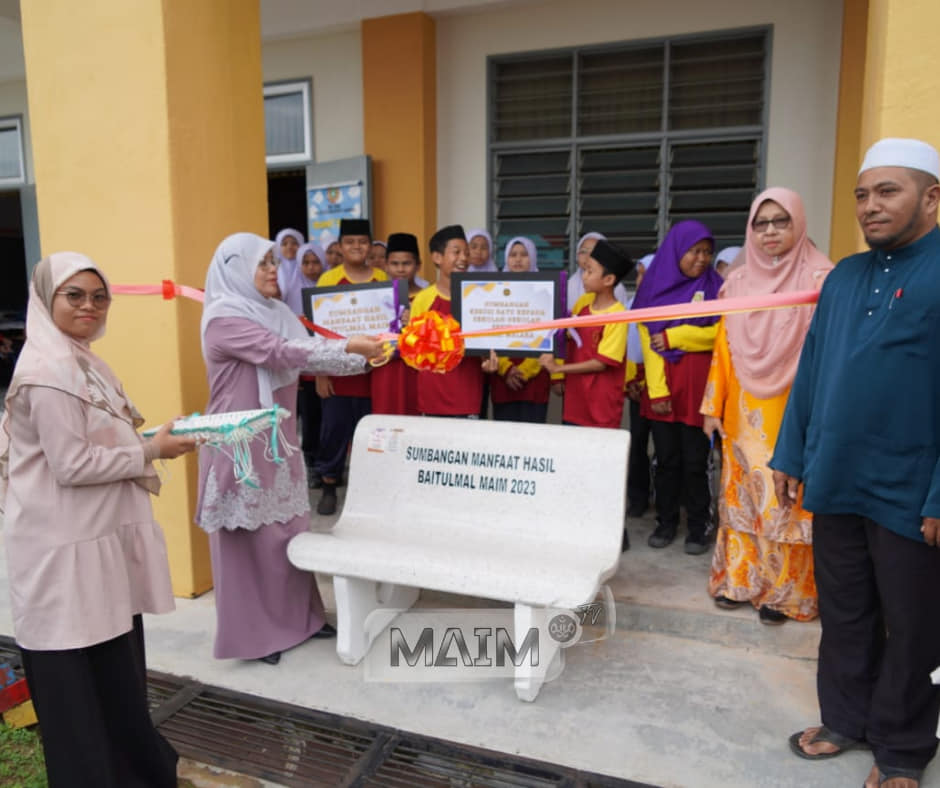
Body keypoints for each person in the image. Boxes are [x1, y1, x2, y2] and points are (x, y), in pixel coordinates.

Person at [772, 138, 940, 788]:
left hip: (911, 489)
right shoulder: (843, 276)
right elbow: (812, 369)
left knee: (915, 625)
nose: (870, 205)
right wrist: (792, 453)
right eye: (862, 195)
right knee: (844, 611)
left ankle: (902, 749)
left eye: (887, 191)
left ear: (932, 197)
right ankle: (845, 718)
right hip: (837, 475)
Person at [0, 252, 197, 786]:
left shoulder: (78, 359)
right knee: (75, 685)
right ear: (46, 299)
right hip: (61, 548)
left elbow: (95, 439)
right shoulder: (48, 372)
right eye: (75, 295)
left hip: (92, 538)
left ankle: (131, 772)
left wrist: (155, 438)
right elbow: (71, 465)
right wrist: (152, 450)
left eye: (99, 296)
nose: (89, 306)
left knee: (113, 673)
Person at [197, 232, 382, 666]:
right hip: (240, 445)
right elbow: (281, 353)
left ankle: (303, 620)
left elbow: (310, 356)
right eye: (261, 263)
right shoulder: (224, 319)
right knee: (247, 541)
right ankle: (255, 636)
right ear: (236, 271)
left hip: (277, 439)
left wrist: (372, 353)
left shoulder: (277, 312)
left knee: (288, 532)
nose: (272, 271)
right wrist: (351, 345)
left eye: (273, 262)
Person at [700, 188, 832, 625]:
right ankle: (739, 580)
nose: (770, 231)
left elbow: (828, 352)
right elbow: (723, 347)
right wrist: (712, 404)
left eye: (781, 221)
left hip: (794, 408)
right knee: (741, 496)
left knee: (785, 498)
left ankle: (786, 593)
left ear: (799, 222)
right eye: (761, 223)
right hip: (743, 409)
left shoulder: (822, 279)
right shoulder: (737, 283)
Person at [634, 220, 722, 555]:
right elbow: (648, 340)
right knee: (666, 460)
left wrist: (677, 335)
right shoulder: (653, 287)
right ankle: (666, 522)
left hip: (700, 392)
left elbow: (723, 333)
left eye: (707, 252)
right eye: (694, 251)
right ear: (675, 251)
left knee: (697, 462)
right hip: (664, 392)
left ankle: (699, 527)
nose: (701, 259)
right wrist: (658, 391)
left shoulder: (716, 286)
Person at [313, 219, 388, 515]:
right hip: (339, 373)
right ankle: (329, 486)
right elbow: (318, 333)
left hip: (375, 373)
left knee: (372, 434)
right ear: (340, 246)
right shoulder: (328, 280)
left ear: (370, 245)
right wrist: (321, 372)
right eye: (350, 242)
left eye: (362, 241)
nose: (357, 247)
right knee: (334, 431)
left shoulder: (382, 277)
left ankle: (368, 490)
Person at [411, 224, 498, 416]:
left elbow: (487, 343)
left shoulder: (480, 297)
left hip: (467, 397)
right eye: (456, 252)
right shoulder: (423, 299)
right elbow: (414, 352)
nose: (464, 258)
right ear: (437, 257)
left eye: (466, 253)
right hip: (431, 397)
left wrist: (488, 360)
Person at [489, 237, 551, 423]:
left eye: (524, 254)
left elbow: (548, 336)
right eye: (513, 255)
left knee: (533, 434)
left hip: (535, 378)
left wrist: (524, 371)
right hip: (502, 378)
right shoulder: (494, 292)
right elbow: (488, 335)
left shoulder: (545, 292)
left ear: (533, 257)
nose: (518, 259)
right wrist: (506, 368)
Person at [370, 232, 421, 415]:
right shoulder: (375, 298)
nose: (400, 269)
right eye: (394, 263)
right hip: (384, 372)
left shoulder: (426, 297)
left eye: (406, 263)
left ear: (418, 265)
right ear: (385, 265)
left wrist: (416, 322)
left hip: (416, 374)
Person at [294, 241, 327, 487]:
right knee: (310, 418)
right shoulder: (289, 292)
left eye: (316, 262)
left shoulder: (329, 289)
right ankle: (312, 464)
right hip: (303, 368)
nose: (311, 267)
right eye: (305, 262)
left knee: (328, 420)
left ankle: (327, 465)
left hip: (327, 366)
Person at [625, 253, 654, 518]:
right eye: (639, 274)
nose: (641, 279)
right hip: (635, 388)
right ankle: (638, 497)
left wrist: (647, 381)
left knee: (667, 449)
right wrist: (631, 381)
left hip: (660, 387)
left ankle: (667, 501)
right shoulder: (630, 305)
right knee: (637, 445)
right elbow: (625, 347)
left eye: (647, 273)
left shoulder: (668, 303)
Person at [567, 231, 629, 312]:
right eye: (583, 251)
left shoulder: (619, 311)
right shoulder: (582, 300)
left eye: (590, 272)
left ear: (608, 279)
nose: (584, 276)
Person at [274, 227, 304, 305]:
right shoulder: (273, 270)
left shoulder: (309, 268)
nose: (289, 247)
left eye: (294, 243)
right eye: (284, 244)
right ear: (278, 247)